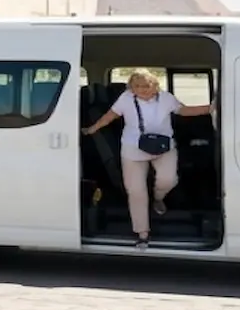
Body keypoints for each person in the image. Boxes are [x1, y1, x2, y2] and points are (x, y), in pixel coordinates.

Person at [80, 71, 213, 248]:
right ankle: (142, 233)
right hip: (132, 150)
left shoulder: (166, 98)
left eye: (145, 86)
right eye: (137, 87)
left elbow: (184, 110)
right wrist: (92, 129)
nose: (141, 90)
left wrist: (210, 108)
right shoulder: (126, 99)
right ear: (131, 87)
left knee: (169, 180)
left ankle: (158, 198)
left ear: (155, 86)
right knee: (136, 191)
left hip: (164, 148)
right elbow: (110, 116)